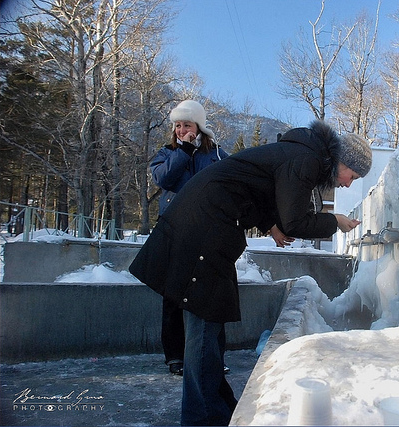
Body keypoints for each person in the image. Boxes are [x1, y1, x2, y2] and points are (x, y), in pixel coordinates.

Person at [129, 120, 372, 426]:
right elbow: (295, 221)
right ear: (342, 162)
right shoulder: (307, 159)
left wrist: (270, 223)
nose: (349, 184)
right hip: (205, 225)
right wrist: (334, 221)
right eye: (353, 175)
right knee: (204, 325)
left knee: (212, 320)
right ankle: (201, 419)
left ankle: (217, 410)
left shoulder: (300, 152)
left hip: (207, 221)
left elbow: (254, 188)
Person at [150, 99, 229, 376]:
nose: (182, 130)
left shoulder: (216, 154)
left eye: (188, 125)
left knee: (208, 296)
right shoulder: (166, 153)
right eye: (178, 126)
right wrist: (183, 150)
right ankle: (175, 356)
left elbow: (228, 186)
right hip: (173, 231)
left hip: (205, 234)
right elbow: (163, 179)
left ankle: (211, 356)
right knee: (172, 295)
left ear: (199, 126)